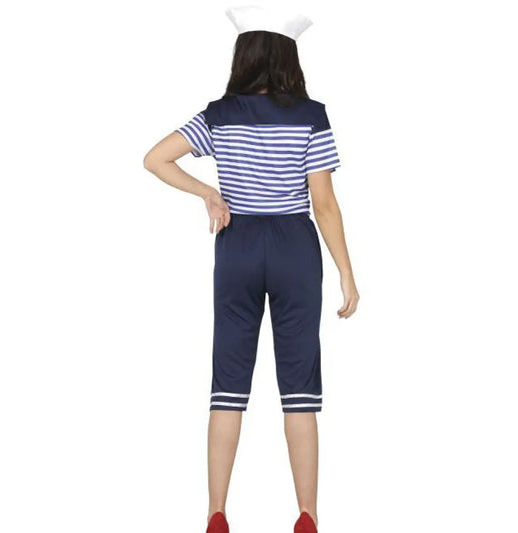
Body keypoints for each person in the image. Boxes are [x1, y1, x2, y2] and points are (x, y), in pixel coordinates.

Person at [143, 5, 359, 533]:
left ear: (244, 56)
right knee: (300, 387)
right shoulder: (311, 115)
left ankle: (216, 514)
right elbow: (324, 204)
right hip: (294, 248)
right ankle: (307, 517)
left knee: (228, 383)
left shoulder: (219, 114)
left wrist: (209, 192)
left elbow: (155, 158)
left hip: (237, 245)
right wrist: (347, 273)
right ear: (288, 57)